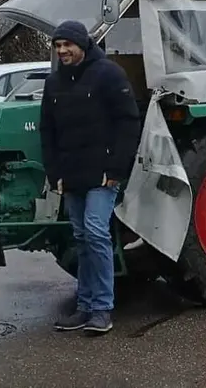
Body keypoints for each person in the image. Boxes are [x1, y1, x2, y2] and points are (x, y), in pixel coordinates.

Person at [41, 20, 142, 336]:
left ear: (82, 45)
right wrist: (54, 173)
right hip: (71, 174)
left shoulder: (109, 75)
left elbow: (128, 122)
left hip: (102, 174)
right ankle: (84, 306)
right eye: (58, 46)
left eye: (67, 45)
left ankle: (102, 308)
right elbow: (48, 131)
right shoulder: (54, 82)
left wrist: (115, 170)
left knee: (97, 232)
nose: (62, 51)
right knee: (82, 237)